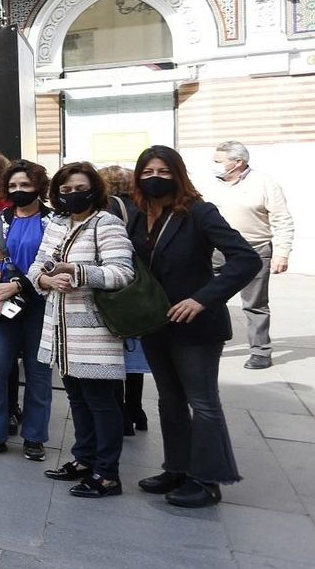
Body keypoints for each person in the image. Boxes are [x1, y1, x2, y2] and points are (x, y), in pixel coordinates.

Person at [129, 145, 261, 508]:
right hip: (156, 322)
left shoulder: (200, 212)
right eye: (148, 172)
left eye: (164, 172)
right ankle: (177, 468)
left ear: (178, 174)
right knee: (170, 401)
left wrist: (203, 298)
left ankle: (207, 481)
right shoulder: (139, 215)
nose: (155, 178)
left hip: (196, 325)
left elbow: (245, 259)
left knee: (202, 403)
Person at [27, 161, 134, 495]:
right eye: (65, 190)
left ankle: (108, 473)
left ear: (94, 189)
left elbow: (122, 273)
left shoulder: (106, 223)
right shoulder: (56, 223)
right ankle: (84, 458)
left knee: (101, 402)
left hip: (94, 332)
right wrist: (45, 278)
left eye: (79, 188)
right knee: (77, 399)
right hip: (61, 330)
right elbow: (37, 267)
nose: (73, 195)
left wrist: (78, 270)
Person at [0, 160, 52, 461]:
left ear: (39, 187)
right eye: (14, 185)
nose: (19, 191)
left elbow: (55, 265)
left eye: (26, 185)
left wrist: (18, 287)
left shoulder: (54, 222)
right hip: (0, 306)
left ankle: (34, 437)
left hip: (41, 306)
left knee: (38, 372)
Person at [207, 141, 294, 370]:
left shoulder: (264, 183)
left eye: (219, 161)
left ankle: (260, 351)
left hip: (254, 251)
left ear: (238, 163)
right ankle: (212, 343)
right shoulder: (207, 184)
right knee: (210, 299)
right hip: (216, 251)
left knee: (255, 304)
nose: (214, 165)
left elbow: (282, 219)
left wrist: (282, 253)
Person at [100, 164, 149, 436]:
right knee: (134, 355)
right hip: (139, 289)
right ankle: (136, 411)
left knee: (116, 354)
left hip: (116, 288)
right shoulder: (143, 207)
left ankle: (121, 416)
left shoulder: (108, 209)